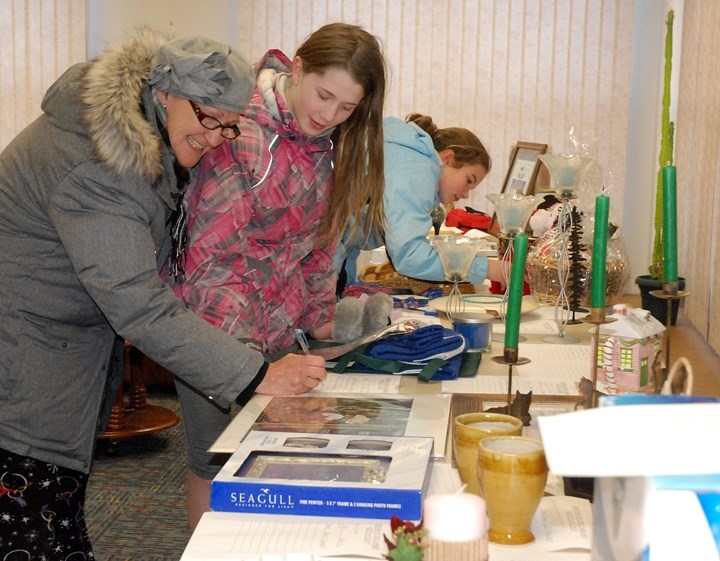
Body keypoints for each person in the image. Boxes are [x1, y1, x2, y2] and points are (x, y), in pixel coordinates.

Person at [0, 28, 327, 558]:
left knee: (54, 522)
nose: (218, 135)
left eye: (230, 124)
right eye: (206, 116)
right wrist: (258, 375)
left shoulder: (143, 140)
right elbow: (137, 302)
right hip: (23, 358)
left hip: (54, 351)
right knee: (33, 533)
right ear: (164, 93)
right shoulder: (101, 164)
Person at [164, 22, 386, 529]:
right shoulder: (240, 131)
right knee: (217, 466)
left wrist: (317, 326)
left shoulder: (328, 148)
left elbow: (315, 251)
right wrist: (251, 371)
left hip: (277, 334)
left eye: (347, 108)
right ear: (298, 68)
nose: (329, 115)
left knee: (272, 468)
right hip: (213, 336)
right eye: (324, 95)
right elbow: (212, 263)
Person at [336, 113, 504, 287]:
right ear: (447, 158)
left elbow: (358, 229)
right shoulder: (417, 173)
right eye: (468, 180)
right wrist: (489, 269)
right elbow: (409, 256)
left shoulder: (407, 157)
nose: (465, 195)